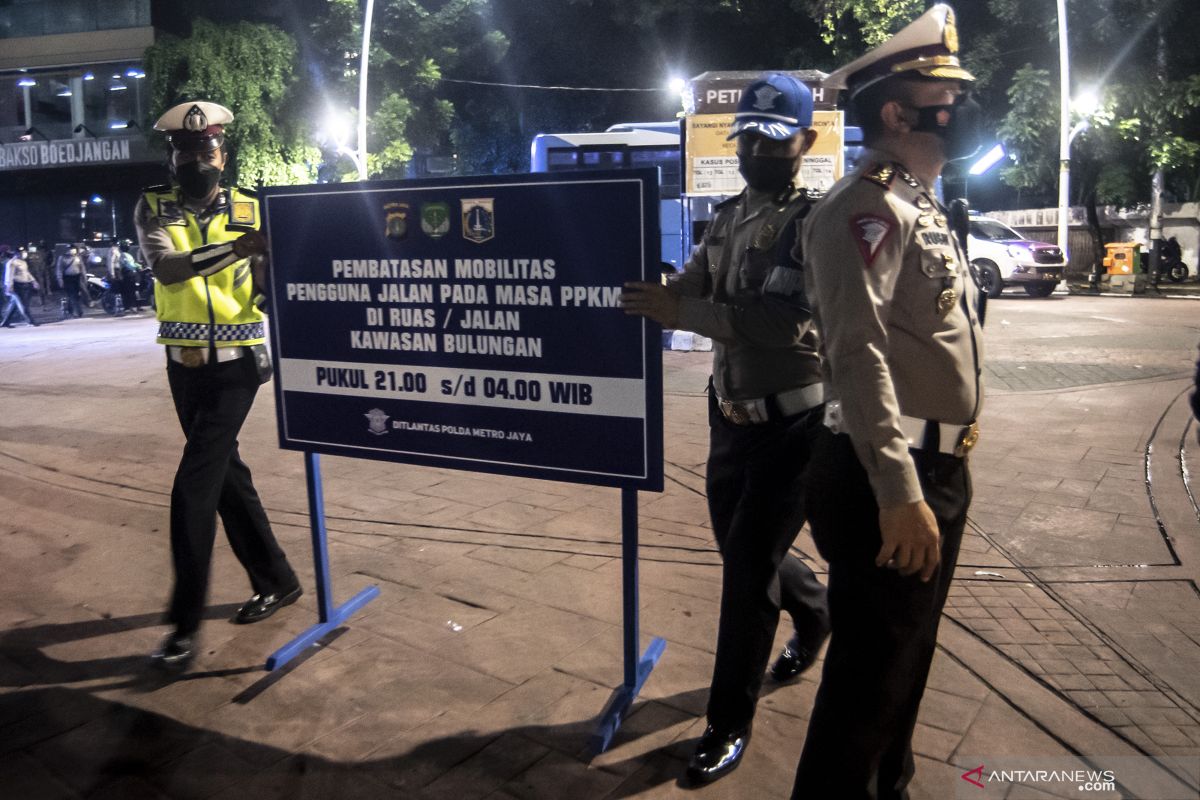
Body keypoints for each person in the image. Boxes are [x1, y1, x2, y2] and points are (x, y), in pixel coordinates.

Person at [790, 6, 984, 798]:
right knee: (868, 686)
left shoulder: (918, 203)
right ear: (900, 113)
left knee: (905, 666)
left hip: (935, 467)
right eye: (946, 99)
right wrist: (899, 491)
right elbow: (855, 352)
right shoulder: (863, 207)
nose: (961, 112)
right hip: (887, 476)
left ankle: (887, 788)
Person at [621, 73, 831, 784]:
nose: (757, 150)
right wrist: (659, 289)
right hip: (728, 417)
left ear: (804, 141)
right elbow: (697, 285)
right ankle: (816, 608)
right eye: (748, 137)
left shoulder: (814, 223)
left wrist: (678, 313)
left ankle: (726, 723)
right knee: (744, 554)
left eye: (774, 140)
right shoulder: (727, 215)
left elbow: (781, 323)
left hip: (795, 425)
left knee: (745, 575)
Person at [134, 100, 301, 671]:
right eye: (184, 151)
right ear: (172, 157)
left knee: (193, 488)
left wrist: (274, 274)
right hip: (183, 364)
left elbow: (262, 291)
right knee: (228, 477)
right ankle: (277, 578)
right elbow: (168, 269)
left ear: (222, 155)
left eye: (205, 151)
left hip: (238, 366)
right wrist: (233, 248)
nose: (195, 159)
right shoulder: (153, 207)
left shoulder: (255, 210)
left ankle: (181, 628)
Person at [2, 246, 39, 327]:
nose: (23, 254)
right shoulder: (12, 262)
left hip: (25, 285)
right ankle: (30, 321)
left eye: (24, 252)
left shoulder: (23, 262)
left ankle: (5, 322)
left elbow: (27, 273)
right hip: (16, 286)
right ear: (16, 253)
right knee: (23, 304)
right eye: (21, 253)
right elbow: (9, 275)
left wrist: (33, 281)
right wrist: (9, 286)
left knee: (14, 305)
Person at [56, 245, 86, 318]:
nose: (73, 250)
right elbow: (59, 269)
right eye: (71, 249)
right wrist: (60, 280)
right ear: (68, 250)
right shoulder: (62, 257)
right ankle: (78, 312)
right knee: (72, 295)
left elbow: (82, 268)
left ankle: (71, 310)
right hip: (68, 278)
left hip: (77, 278)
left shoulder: (78, 257)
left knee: (77, 295)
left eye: (74, 249)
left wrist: (84, 277)